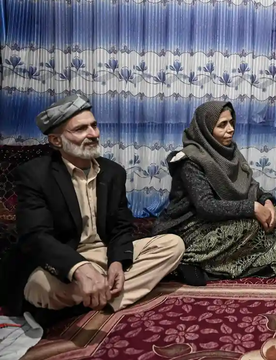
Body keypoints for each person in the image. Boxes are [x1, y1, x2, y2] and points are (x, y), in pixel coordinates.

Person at [3, 94, 185, 323]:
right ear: (56, 141)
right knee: (41, 286)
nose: (93, 134)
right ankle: (100, 294)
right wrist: (78, 267)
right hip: (63, 259)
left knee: (172, 245)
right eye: (80, 129)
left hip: (104, 254)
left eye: (94, 125)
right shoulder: (35, 175)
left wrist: (118, 261)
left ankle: (86, 299)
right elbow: (35, 236)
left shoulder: (113, 172)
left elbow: (121, 225)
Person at [153, 101, 276, 283]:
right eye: (222, 125)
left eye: (231, 122)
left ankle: (223, 265)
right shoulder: (190, 161)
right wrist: (252, 208)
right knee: (247, 225)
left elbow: (252, 186)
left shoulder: (230, 153)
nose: (230, 129)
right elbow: (206, 206)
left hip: (215, 221)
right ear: (205, 129)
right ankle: (186, 261)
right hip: (189, 226)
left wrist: (266, 202)